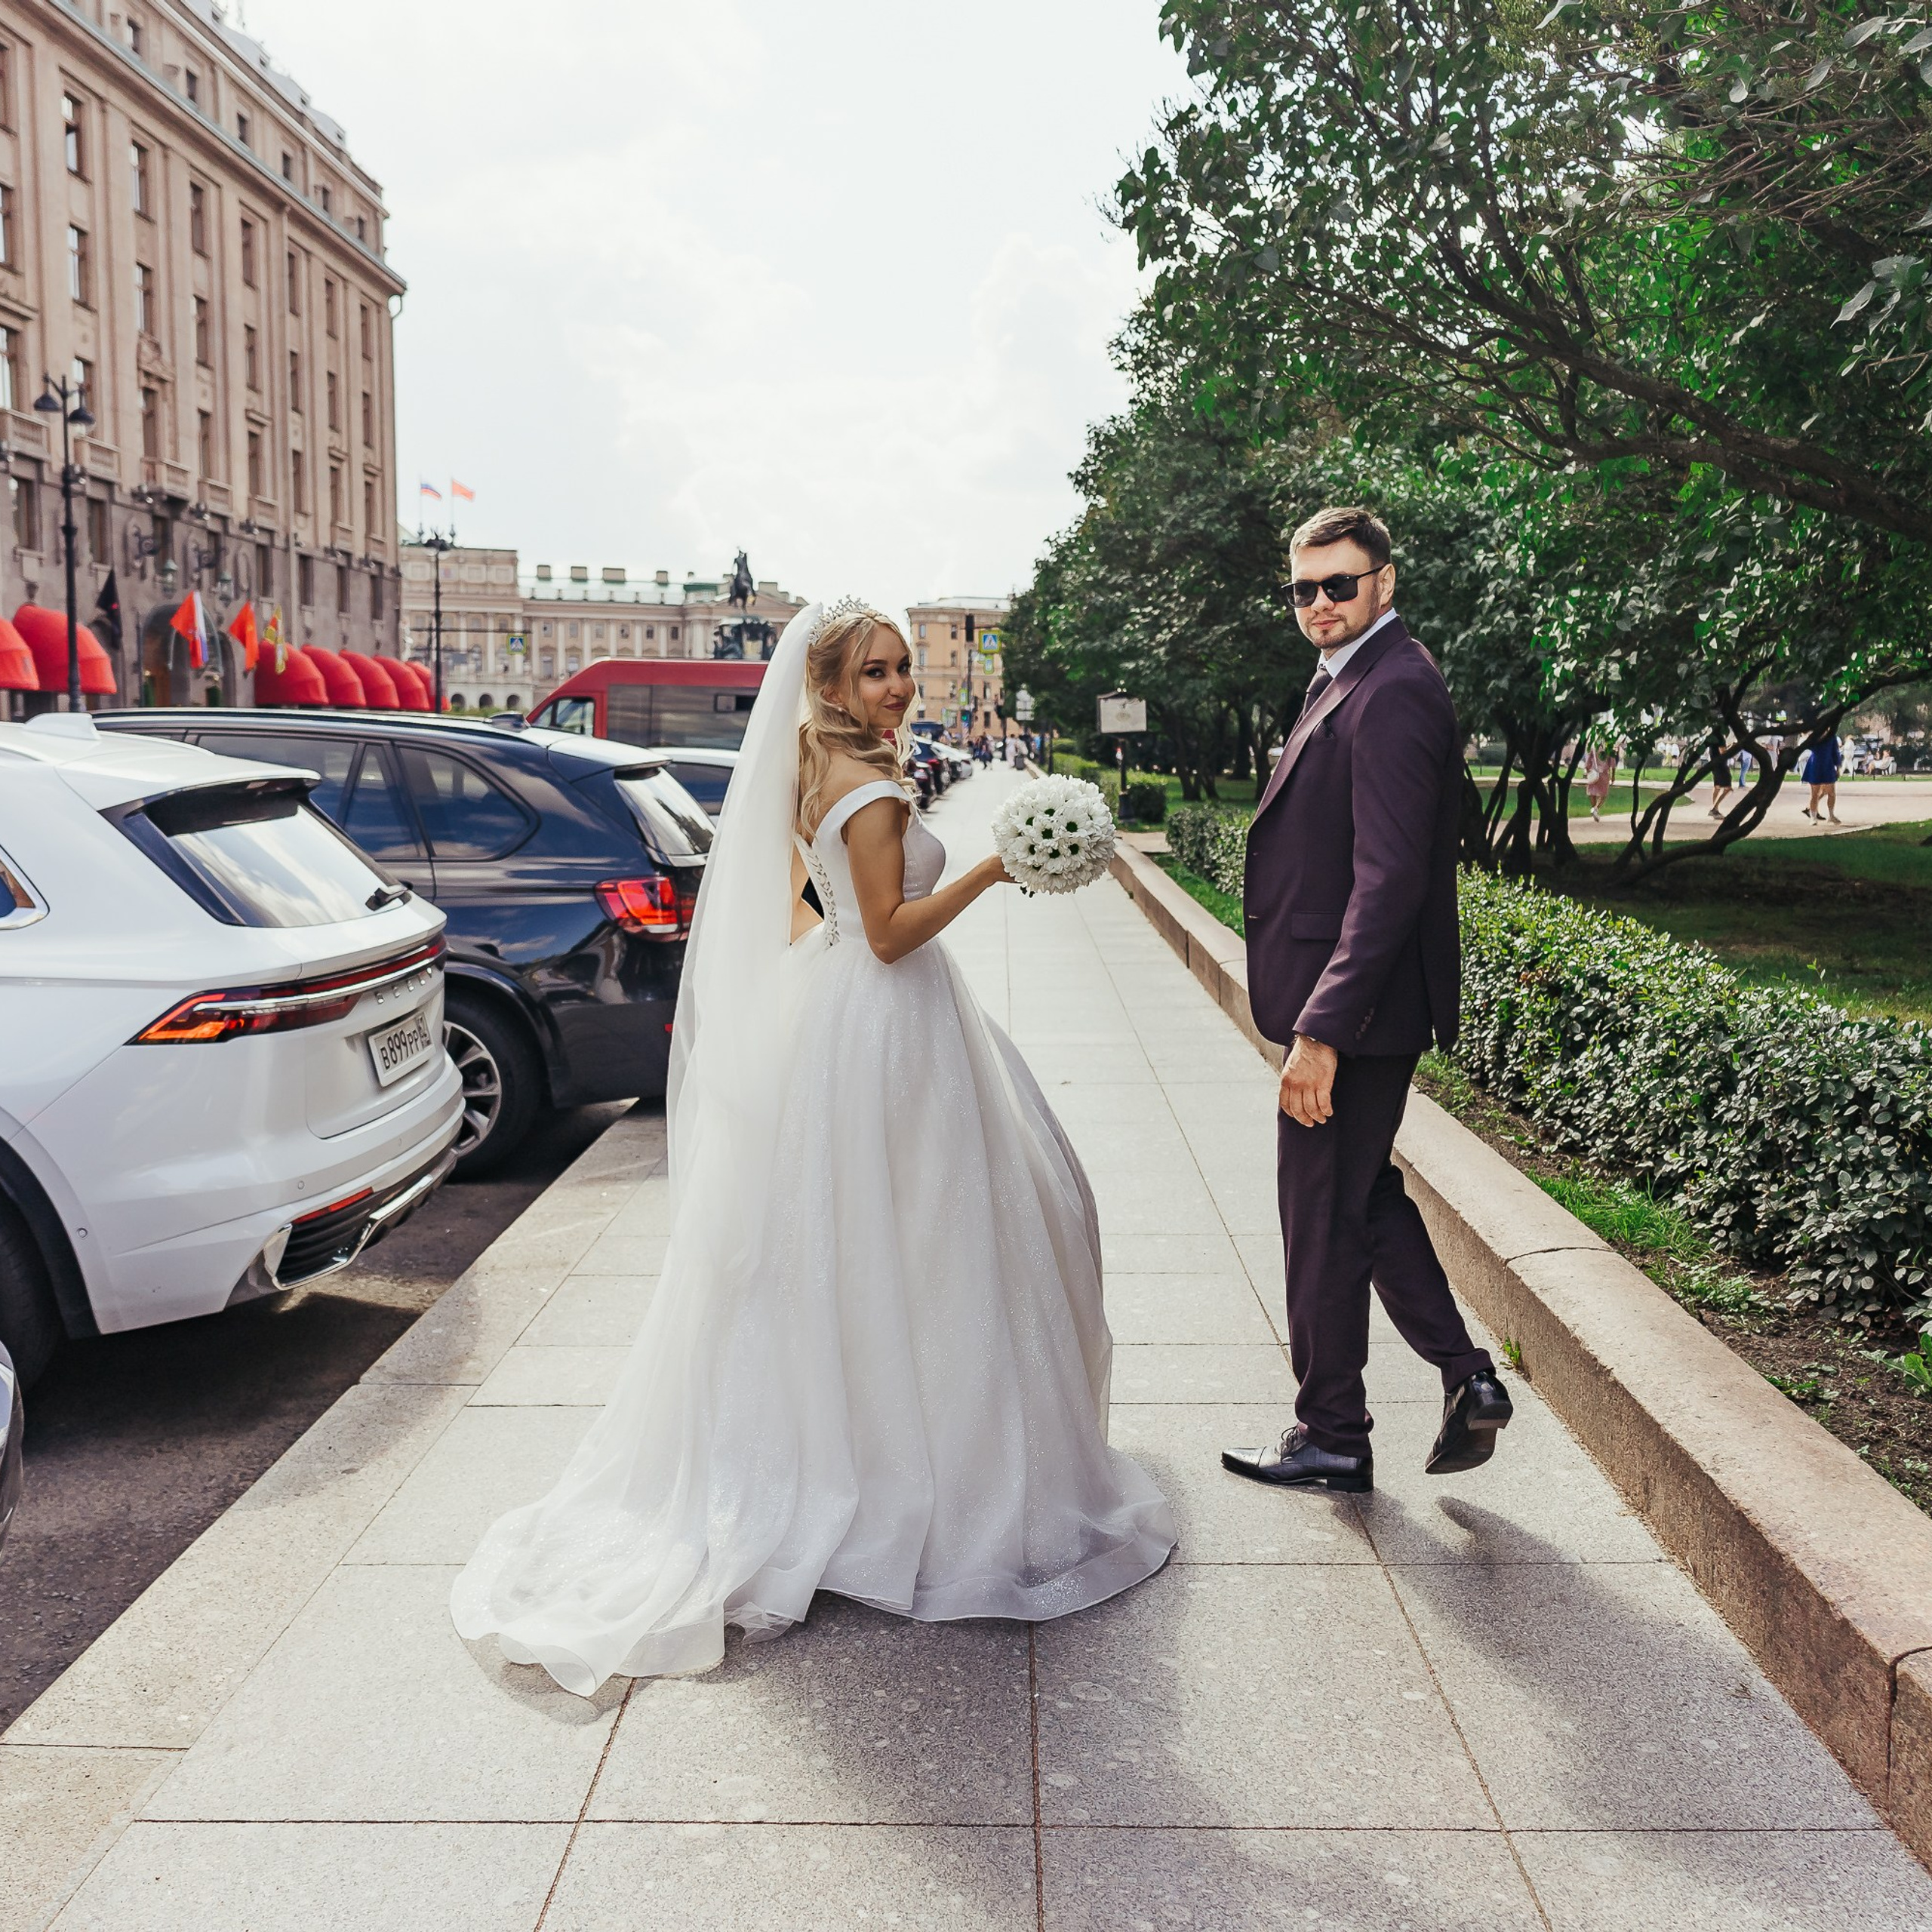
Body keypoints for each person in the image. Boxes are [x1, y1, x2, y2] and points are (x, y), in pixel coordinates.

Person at [452, 599, 1175, 1694]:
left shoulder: (810, 767)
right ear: (830, 686)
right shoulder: (873, 786)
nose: (898, 689)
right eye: (876, 673)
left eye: (901, 671)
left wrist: (810, 993)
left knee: (853, 1243)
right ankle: (928, 1481)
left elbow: (816, 916)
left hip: (840, 1017)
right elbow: (887, 937)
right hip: (891, 1019)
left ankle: (859, 1454)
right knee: (936, 1241)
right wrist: (986, 870)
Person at [1226, 506, 1511, 1497]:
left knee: (1318, 1212)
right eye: (1303, 588)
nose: (1318, 604)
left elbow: (1388, 879)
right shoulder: (1358, 677)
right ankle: (1465, 1378)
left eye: (1338, 585)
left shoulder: (1392, 690)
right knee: (1359, 1199)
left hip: (1357, 1013)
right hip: (1359, 1006)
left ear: (1384, 581)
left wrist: (1321, 1031)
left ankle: (1332, 1431)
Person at [1802, 731, 1842, 823]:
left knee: (1831, 793)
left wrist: (1838, 767)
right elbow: (1808, 746)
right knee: (1814, 794)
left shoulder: (1831, 738)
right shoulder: (1814, 737)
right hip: (1815, 765)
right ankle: (1813, 817)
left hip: (1828, 765)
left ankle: (1831, 815)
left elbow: (1835, 752)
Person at [1583, 743, 1617, 820]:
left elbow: (1588, 759)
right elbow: (1613, 763)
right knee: (1604, 793)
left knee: (1592, 792)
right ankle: (1596, 809)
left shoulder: (1593, 746)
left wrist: (1587, 769)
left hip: (1593, 772)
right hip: (1604, 773)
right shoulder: (1609, 747)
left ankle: (1594, 809)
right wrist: (1613, 776)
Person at [1708, 744, 1734, 819]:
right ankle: (1714, 808)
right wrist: (1733, 748)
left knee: (1717, 787)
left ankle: (1715, 809)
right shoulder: (1720, 739)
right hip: (1722, 767)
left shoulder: (1713, 740)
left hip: (1716, 766)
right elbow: (1723, 752)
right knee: (1727, 788)